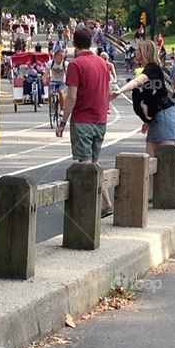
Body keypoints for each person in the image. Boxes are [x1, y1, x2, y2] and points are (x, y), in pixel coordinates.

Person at [112, 40, 175, 201]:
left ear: (145, 52)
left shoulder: (152, 68)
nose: (135, 53)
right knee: (150, 155)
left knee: (171, 151)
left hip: (164, 114)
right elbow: (150, 96)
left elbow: (138, 81)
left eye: (138, 50)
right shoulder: (150, 69)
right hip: (157, 116)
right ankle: (150, 194)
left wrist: (120, 90)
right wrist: (147, 120)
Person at [56, 26, 115, 217]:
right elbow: (106, 92)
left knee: (85, 165)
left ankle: (88, 209)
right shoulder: (102, 63)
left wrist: (63, 121)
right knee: (94, 163)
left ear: (74, 43)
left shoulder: (75, 65)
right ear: (91, 42)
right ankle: (106, 203)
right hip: (100, 120)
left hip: (83, 119)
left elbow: (71, 96)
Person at [46, 48, 68, 113]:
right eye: (60, 56)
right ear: (55, 56)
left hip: (62, 82)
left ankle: (62, 109)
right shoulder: (51, 63)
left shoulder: (65, 64)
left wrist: (68, 80)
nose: (61, 58)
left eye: (63, 56)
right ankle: (52, 107)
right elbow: (46, 72)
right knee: (50, 94)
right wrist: (44, 78)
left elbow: (67, 73)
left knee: (61, 93)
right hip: (53, 81)